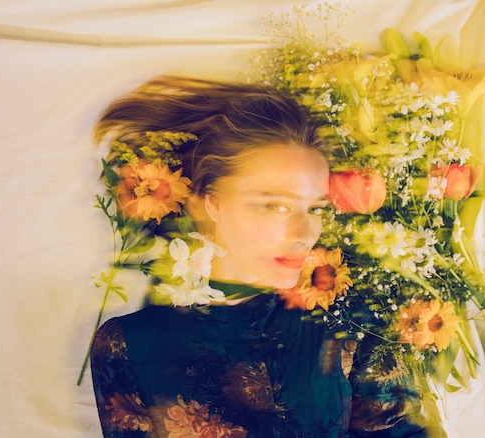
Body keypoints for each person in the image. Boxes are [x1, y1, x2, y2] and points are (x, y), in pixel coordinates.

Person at [89, 76, 430, 437]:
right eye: (276, 206)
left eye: (315, 208)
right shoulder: (128, 343)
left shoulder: (348, 318)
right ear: (211, 203)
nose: (304, 234)